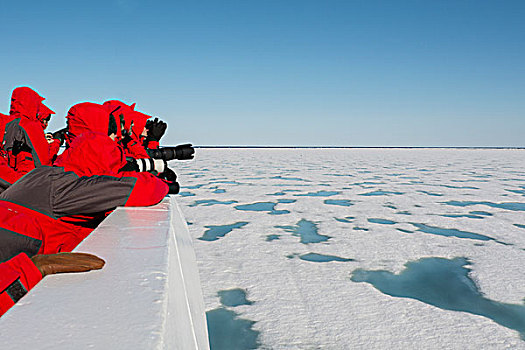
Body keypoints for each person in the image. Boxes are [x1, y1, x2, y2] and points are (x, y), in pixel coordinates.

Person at [3, 87, 61, 174]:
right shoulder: (28, 125)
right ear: (32, 103)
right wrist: (56, 142)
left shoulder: (5, 122)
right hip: (27, 178)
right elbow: (44, 162)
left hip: (9, 175)